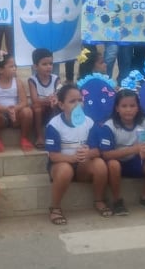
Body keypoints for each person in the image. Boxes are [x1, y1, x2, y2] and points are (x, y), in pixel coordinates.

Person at [45, 84, 109, 224]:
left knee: (100, 164)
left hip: (82, 167)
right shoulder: (54, 125)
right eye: (72, 101)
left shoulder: (89, 122)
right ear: (61, 105)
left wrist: (88, 153)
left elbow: (97, 150)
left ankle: (99, 200)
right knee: (65, 169)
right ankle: (55, 207)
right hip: (60, 165)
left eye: (80, 100)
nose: (77, 104)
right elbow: (53, 156)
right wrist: (73, 158)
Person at [92, 88, 145, 214]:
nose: (128, 109)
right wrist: (134, 149)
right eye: (124, 106)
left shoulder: (144, 123)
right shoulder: (110, 125)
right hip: (115, 163)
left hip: (135, 161)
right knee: (113, 164)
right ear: (117, 108)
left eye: (132, 106)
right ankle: (117, 201)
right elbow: (106, 154)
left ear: (137, 108)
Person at [0, 51, 34, 152]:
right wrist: (6, 109)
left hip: (15, 116)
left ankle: (24, 138)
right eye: (11, 66)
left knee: (27, 111)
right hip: (1, 118)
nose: (15, 68)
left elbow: (24, 102)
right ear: (0, 70)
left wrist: (15, 109)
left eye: (15, 66)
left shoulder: (17, 82)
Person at [28, 47, 59, 150]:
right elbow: (35, 100)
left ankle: (54, 135)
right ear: (35, 66)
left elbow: (59, 94)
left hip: (52, 109)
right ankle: (40, 136)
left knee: (57, 105)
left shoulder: (56, 79)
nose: (48, 67)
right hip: (39, 112)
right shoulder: (32, 80)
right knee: (37, 108)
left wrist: (54, 99)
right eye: (44, 64)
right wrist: (47, 100)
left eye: (50, 64)